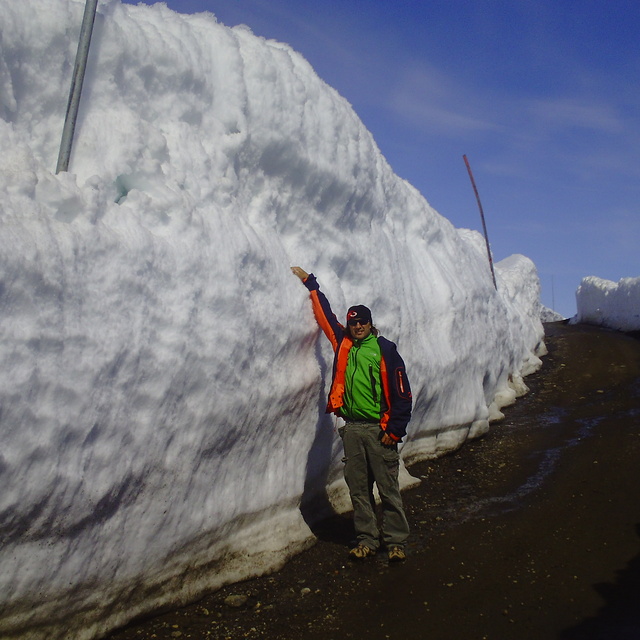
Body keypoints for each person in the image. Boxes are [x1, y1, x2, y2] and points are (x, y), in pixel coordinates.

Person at [291, 266, 412, 562]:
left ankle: (395, 542)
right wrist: (311, 284)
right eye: (353, 323)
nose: (358, 327)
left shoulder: (384, 351)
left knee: (388, 489)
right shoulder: (343, 344)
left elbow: (402, 393)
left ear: (371, 324)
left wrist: (394, 430)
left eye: (363, 323)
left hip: (379, 429)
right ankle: (368, 539)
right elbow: (325, 318)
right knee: (358, 490)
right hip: (353, 429)